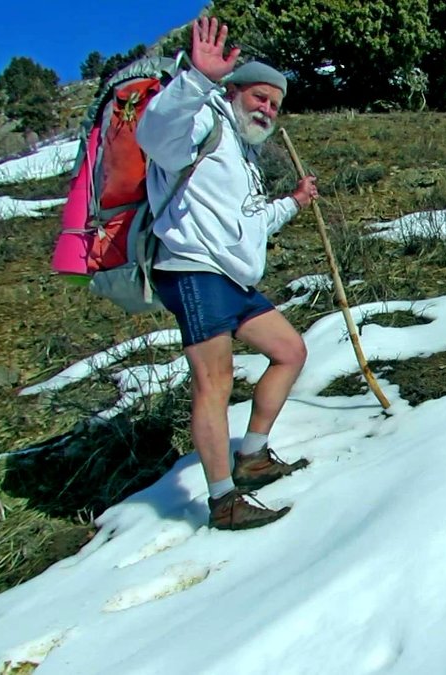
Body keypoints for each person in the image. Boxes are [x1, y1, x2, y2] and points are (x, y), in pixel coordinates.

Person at [136, 16, 319, 531]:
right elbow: (154, 134)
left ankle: (253, 455)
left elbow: (249, 221)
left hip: (233, 280)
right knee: (213, 384)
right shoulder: (198, 124)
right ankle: (223, 502)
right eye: (260, 97)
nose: (267, 109)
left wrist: (295, 202)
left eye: (275, 105)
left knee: (290, 351)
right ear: (234, 90)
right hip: (194, 269)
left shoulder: (243, 154)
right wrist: (196, 78)